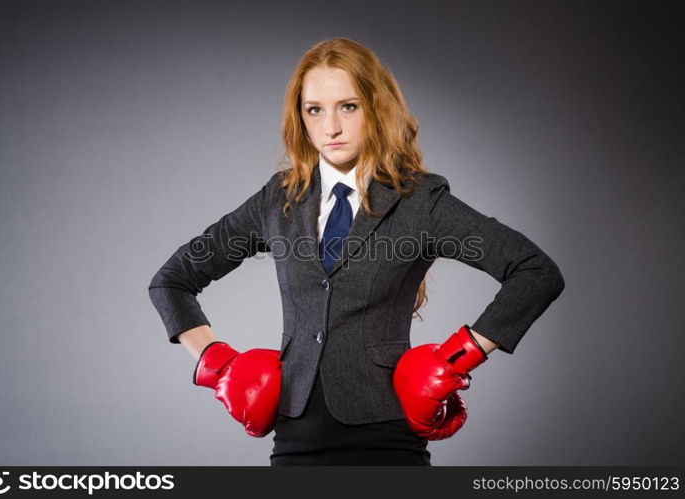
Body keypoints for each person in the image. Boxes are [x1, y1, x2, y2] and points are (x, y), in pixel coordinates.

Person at [148, 37, 565, 466]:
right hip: (295, 443)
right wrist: (219, 364)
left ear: (376, 108)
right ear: (301, 118)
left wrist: (459, 355)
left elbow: (536, 271)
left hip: (387, 441)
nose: (330, 127)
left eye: (348, 106)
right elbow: (172, 281)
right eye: (315, 110)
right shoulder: (279, 200)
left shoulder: (420, 200)